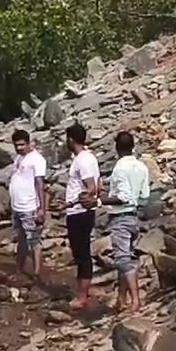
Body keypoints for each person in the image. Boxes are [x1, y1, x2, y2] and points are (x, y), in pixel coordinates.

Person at [103, 131, 149, 314]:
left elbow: (123, 196)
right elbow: (144, 196)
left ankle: (135, 300)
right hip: (134, 216)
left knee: (123, 260)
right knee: (127, 256)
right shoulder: (142, 167)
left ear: (117, 148)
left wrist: (101, 201)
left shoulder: (120, 169)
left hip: (120, 216)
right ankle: (121, 299)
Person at [63, 122, 100, 311]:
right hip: (81, 211)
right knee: (82, 254)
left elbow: (91, 187)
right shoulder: (89, 158)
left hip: (79, 212)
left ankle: (82, 296)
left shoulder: (83, 160)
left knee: (82, 255)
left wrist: (73, 202)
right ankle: (84, 290)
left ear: (70, 139)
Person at [8, 129, 47, 280]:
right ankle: (19, 269)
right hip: (17, 206)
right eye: (16, 145)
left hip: (30, 206)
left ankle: (36, 271)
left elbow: (40, 183)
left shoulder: (37, 159)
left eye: (22, 145)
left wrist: (42, 209)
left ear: (29, 143)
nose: (19, 148)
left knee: (34, 240)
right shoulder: (19, 158)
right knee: (21, 239)